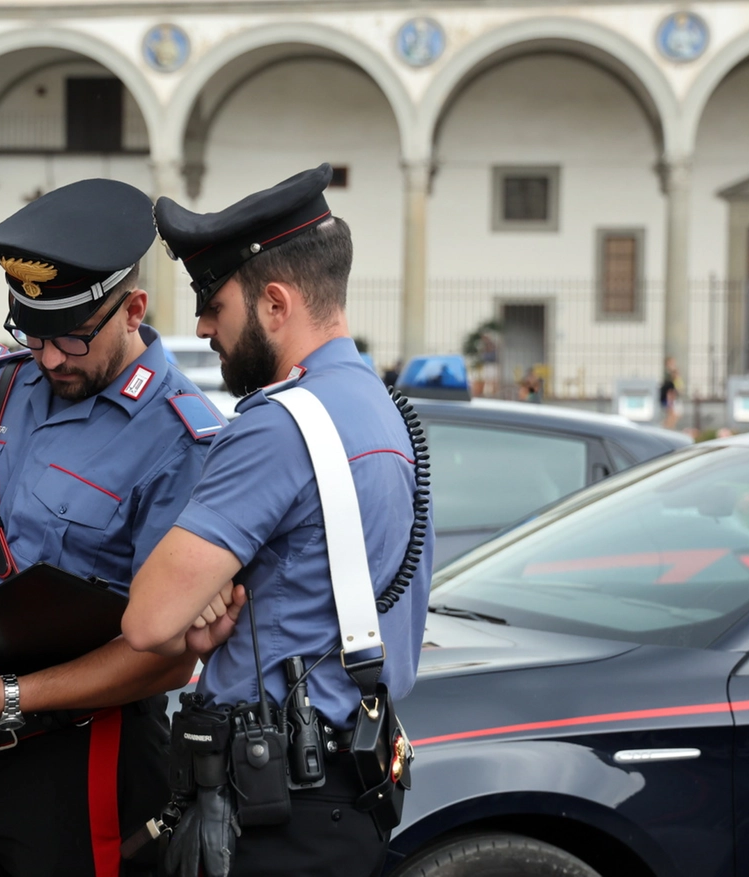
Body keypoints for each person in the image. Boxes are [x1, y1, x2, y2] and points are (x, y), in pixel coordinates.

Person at [0, 179, 219, 877]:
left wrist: (7, 696)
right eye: (29, 332)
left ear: (134, 309)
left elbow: (171, 653)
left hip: (85, 756)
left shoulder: (179, 437)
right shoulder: (7, 384)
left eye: (69, 336)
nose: (50, 358)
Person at [122, 164, 432, 876]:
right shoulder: (382, 410)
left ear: (275, 302)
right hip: (345, 789)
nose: (202, 327)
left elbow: (147, 621)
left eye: (213, 301)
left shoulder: (277, 426)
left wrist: (200, 614)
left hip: (274, 808)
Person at [661, 356, 682, 429]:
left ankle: (668, 428)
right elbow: (669, 390)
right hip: (670, 398)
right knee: (672, 415)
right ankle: (666, 428)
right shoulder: (669, 375)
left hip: (673, 397)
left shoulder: (674, 373)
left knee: (676, 414)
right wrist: (670, 401)